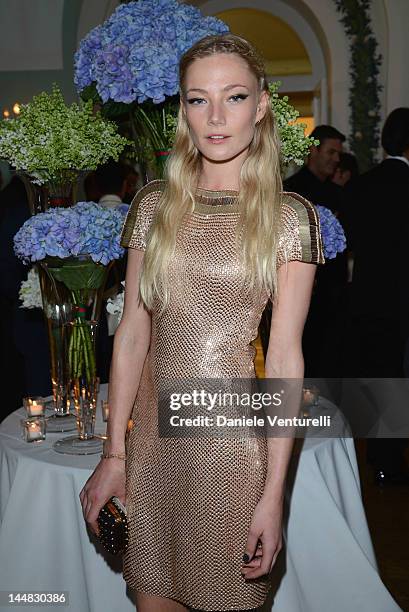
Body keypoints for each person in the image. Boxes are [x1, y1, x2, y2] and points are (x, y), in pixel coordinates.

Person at [79, 34, 324, 611]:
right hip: (153, 457)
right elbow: (133, 334)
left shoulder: (291, 219)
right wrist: (114, 456)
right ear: (182, 109)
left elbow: (286, 359)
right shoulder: (153, 206)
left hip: (233, 456)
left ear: (261, 105)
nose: (215, 117)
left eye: (233, 97)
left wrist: (273, 498)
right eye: (197, 99)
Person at [343, 108, 409, 485]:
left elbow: (349, 242)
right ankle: (391, 458)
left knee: (377, 378)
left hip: (368, 298)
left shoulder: (361, 185)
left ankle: (377, 457)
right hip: (402, 301)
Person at [284, 124, 345, 215]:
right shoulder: (292, 191)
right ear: (313, 150)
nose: (337, 159)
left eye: (339, 154)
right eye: (331, 152)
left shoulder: (337, 191)